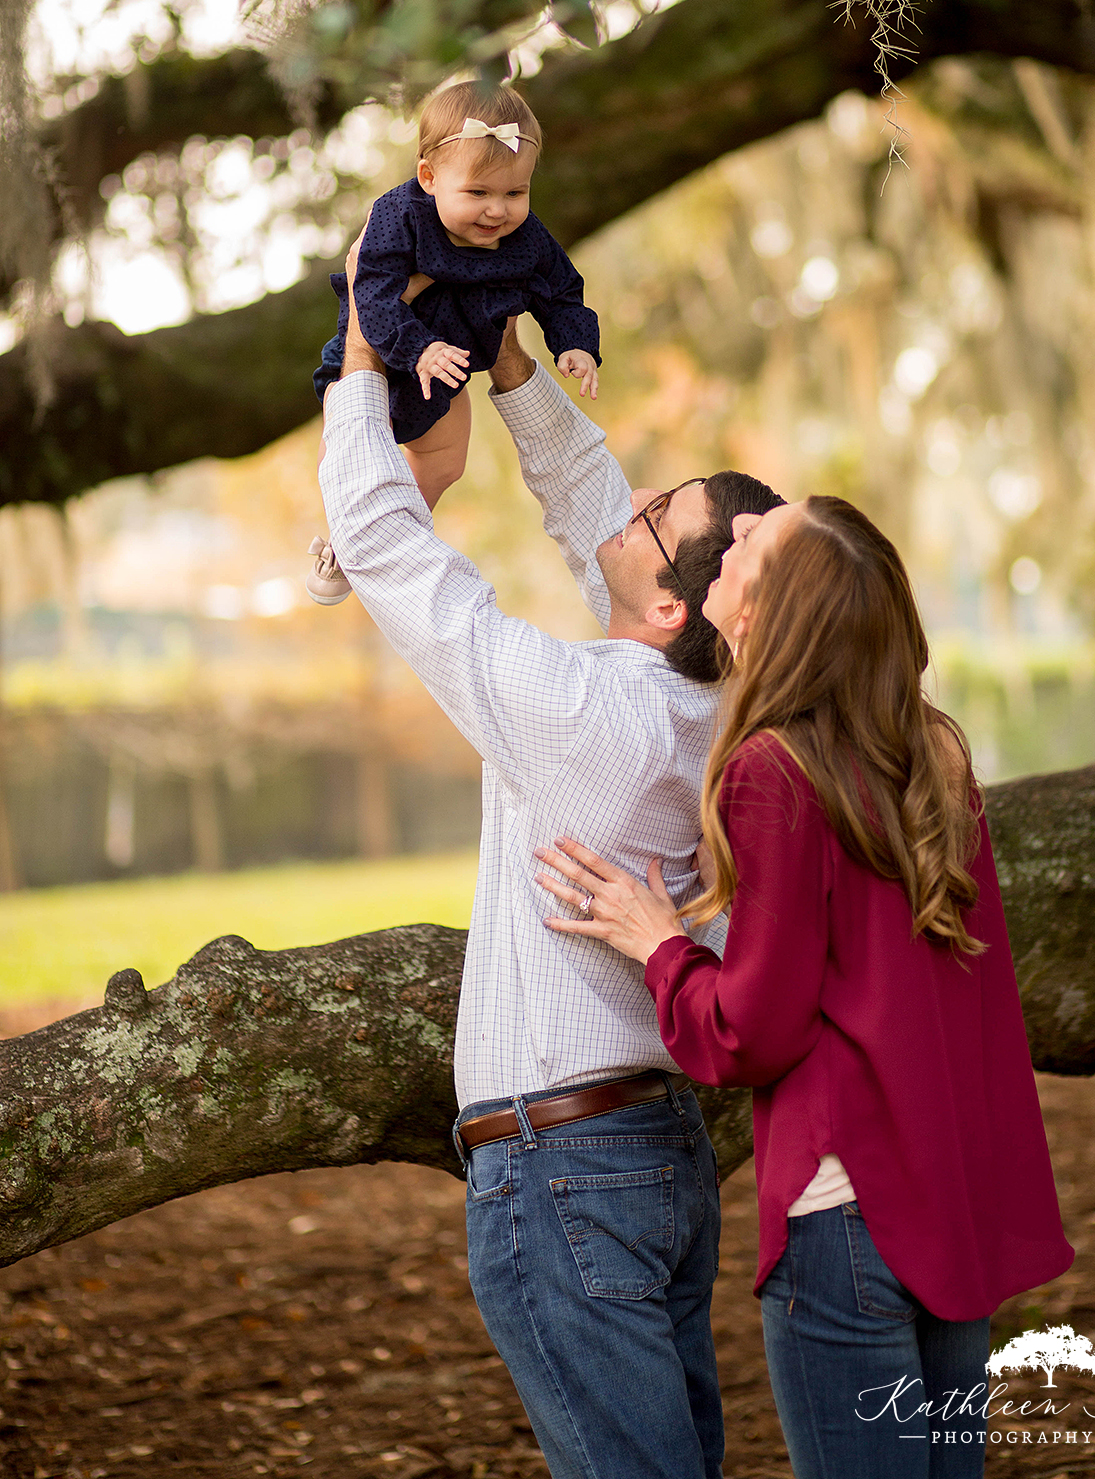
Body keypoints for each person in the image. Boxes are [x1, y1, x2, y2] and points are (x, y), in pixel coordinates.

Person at [318, 271, 784, 1479]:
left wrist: (363, 364)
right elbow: (593, 507)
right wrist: (512, 360)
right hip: (656, 1152)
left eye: (652, 516)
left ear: (680, 601)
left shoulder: (593, 715)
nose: (623, 504)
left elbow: (387, 552)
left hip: (564, 1168)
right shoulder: (721, 700)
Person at [537, 493, 1075, 1479]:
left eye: (757, 541)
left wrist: (661, 943)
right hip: (951, 1201)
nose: (738, 530)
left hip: (849, 1218)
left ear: (763, 617)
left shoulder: (770, 772)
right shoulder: (934, 754)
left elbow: (753, 1032)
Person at [311, 81, 599, 567]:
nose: (497, 209)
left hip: (448, 374)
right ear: (429, 178)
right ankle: (349, 536)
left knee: (446, 462)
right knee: (356, 450)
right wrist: (418, 348)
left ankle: (394, 539)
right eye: (478, 192)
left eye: (516, 192)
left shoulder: (526, 238)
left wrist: (575, 343)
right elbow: (372, 292)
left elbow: (562, 287)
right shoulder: (399, 216)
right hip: (383, 357)